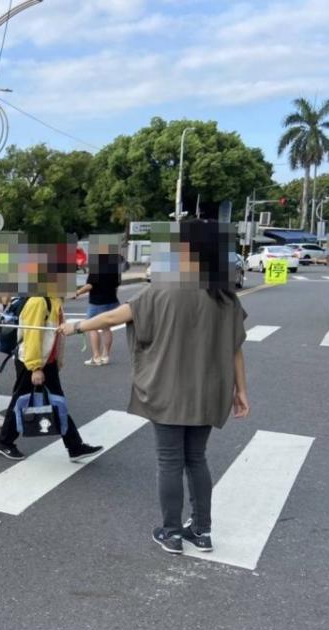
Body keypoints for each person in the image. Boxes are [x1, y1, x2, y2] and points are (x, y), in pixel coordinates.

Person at [58, 222, 250, 555]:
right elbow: (235, 347)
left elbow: (111, 318)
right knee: (197, 459)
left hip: (167, 389)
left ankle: (172, 532)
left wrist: (76, 327)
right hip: (209, 391)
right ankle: (202, 531)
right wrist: (241, 390)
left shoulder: (164, 289)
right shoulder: (224, 295)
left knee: (170, 461)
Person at [0, 292, 103, 462]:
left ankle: (75, 447)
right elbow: (32, 336)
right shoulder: (38, 301)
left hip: (46, 361)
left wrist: (56, 361)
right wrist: (35, 367)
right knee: (21, 401)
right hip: (31, 362)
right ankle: (4, 443)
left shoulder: (54, 299)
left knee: (56, 402)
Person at [73, 249, 122, 366]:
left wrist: (78, 292)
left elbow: (90, 285)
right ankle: (105, 356)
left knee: (92, 327)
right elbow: (117, 284)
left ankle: (96, 357)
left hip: (97, 302)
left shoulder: (97, 268)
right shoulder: (114, 268)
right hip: (112, 301)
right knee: (106, 328)